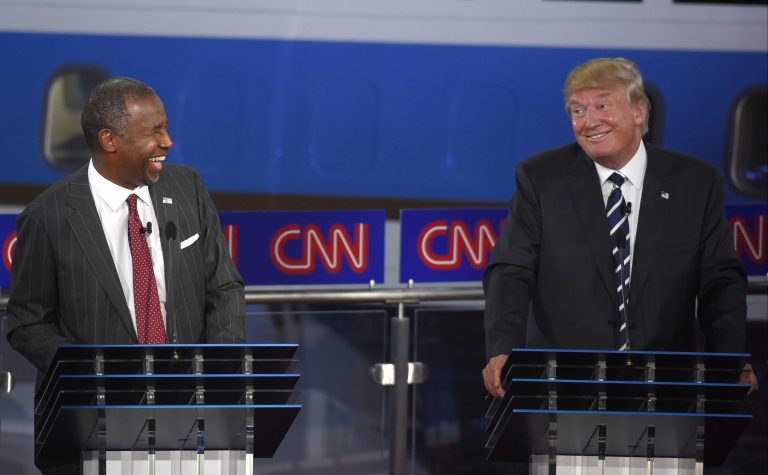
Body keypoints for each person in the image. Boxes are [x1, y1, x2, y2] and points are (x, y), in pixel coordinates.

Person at [6, 77, 246, 472]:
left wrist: (215, 376)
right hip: (93, 425)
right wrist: (94, 374)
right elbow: (27, 322)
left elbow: (225, 287)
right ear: (109, 140)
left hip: (191, 420)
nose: (167, 142)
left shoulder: (188, 189)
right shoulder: (48, 216)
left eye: (165, 128)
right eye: (154, 132)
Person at [482, 57, 757, 399]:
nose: (589, 121)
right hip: (562, 387)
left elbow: (721, 280)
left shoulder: (695, 183)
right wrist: (502, 347)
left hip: (665, 387)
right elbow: (511, 269)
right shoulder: (540, 179)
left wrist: (730, 360)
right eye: (577, 111)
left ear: (639, 112)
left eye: (602, 105)